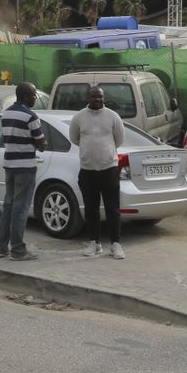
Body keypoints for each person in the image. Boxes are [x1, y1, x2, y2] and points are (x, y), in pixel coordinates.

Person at [70, 85, 127, 259]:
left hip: (109, 169)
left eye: (100, 97)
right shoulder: (79, 117)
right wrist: (90, 152)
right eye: (94, 97)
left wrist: (105, 153)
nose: (98, 100)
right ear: (88, 98)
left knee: (113, 209)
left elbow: (119, 139)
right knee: (91, 209)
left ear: (104, 98)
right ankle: (94, 243)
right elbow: (74, 138)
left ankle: (115, 244)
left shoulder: (113, 116)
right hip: (88, 171)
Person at [0, 82, 47, 261]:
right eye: (33, 95)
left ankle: (1, 246)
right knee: (21, 208)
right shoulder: (31, 116)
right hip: (25, 167)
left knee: (8, 205)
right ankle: (18, 249)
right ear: (25, 96)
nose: (35, 98)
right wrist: (38, 143)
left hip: (9, 165)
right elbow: (41, 143)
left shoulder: (6, 113)